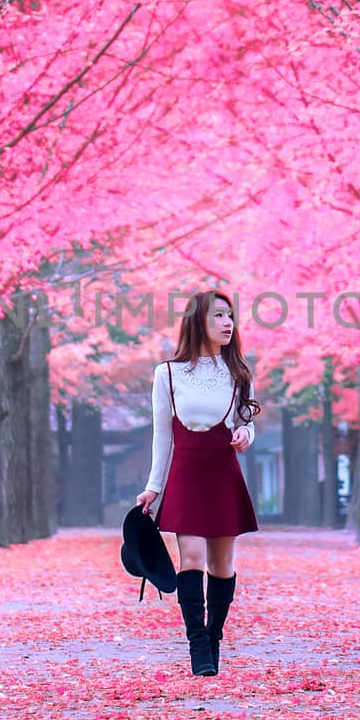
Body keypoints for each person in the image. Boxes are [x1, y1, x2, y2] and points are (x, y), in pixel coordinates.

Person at [136, 290, 261, 676]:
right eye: (219, 316)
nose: (228, 323)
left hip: (224, 474)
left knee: (222, 565)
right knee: (190, 559)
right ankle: (198, 646)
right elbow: (163, 436)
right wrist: (153, 487)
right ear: (198, 322)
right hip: (186, 475)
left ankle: (215, 636)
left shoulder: (238, 372)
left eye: (231, 316)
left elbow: (245, 422)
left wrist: (246, 435)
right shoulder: (167, 373)